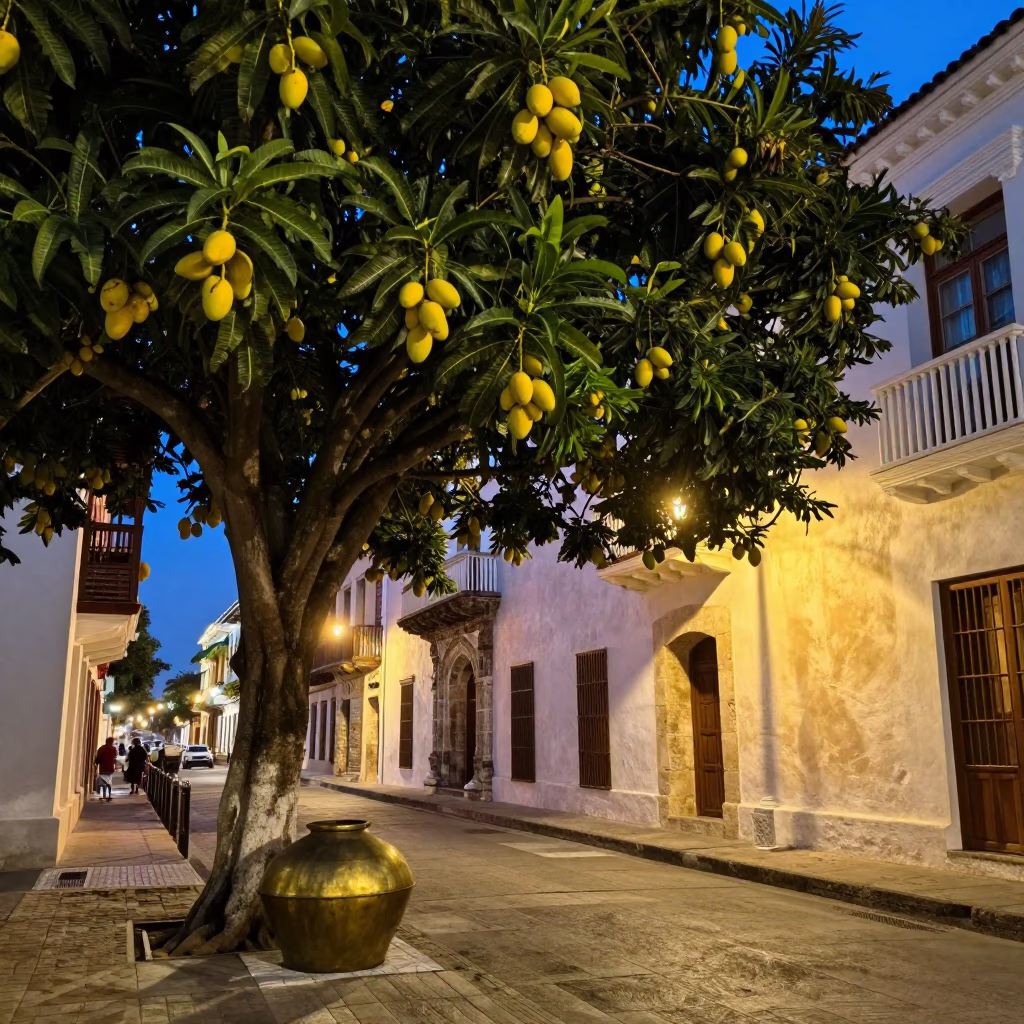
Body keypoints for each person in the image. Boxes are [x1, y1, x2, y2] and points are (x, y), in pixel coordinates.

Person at [94, 737, 118, 802]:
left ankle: (104, 795)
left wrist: (96, 764)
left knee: (104, 781)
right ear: (112, 742)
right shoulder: (114, 749)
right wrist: (115, 766)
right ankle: (109, 795)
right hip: (110, 768)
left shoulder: (101, 748)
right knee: (109, 782)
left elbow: (98, 758)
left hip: (103, 768)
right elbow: (114, 758)